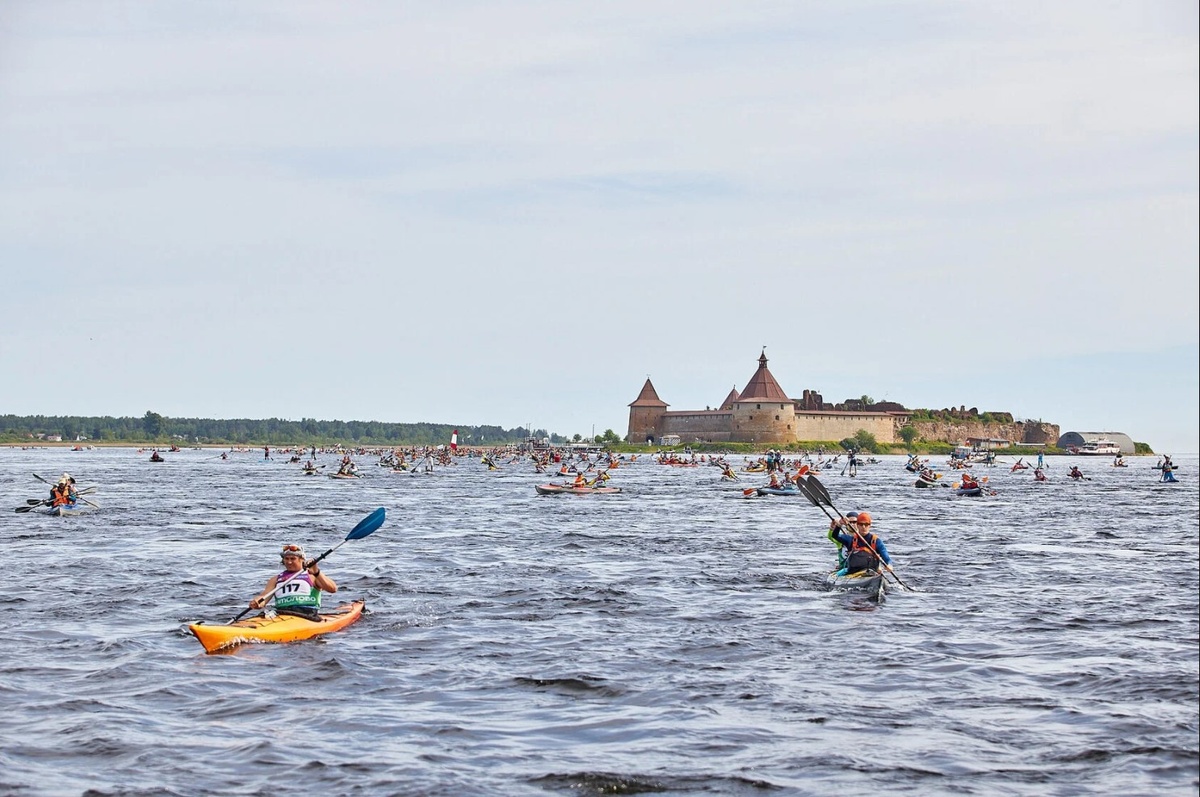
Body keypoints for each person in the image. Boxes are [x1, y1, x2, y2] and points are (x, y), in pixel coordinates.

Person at [249, 544, 337, 620]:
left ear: (302, 559)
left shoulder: (312, 575)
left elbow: (333, 589)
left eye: (293, 558)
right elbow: (264, 597)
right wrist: (257, 602)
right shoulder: (275, 579)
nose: (289, 562)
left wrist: (317, 573)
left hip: (306, 614)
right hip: (282, 613)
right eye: (286, 559)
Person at [828, 511, 893, 575]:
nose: (863, 527)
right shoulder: (850, 539)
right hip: (852, 573)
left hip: (871, 573)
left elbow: (885, 554)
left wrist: (889, 564)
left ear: (869, 526)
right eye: (861, 524)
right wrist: (839, 524)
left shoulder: (876, 541)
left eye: (866, 524)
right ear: (857, 525)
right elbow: (835, 536)